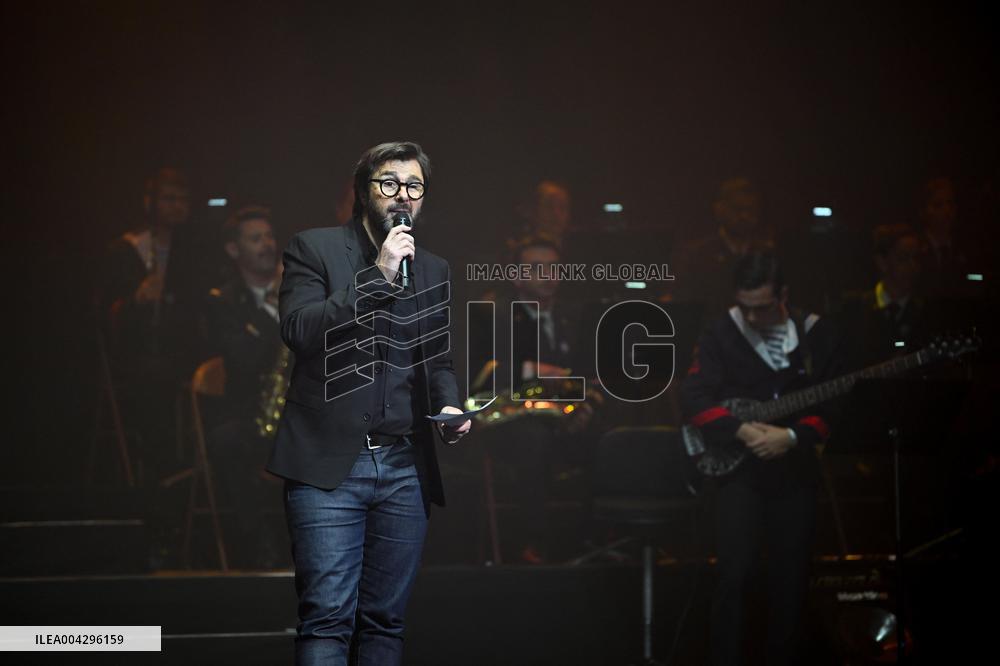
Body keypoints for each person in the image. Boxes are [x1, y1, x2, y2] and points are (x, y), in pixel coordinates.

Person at [267, 141, 470, 664]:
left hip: (405, 466)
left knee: (385, 623)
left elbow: (438, 362)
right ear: (363, 192)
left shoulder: (433, 269)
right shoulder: (313, 248)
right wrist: (376, 276)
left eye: (414, 186)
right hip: (329, 464)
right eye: (389, 183)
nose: (402, 195)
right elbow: (299, 330)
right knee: (327, 619)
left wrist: (448, 408)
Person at [681, 250, 844, 666]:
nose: (752, 318)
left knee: (791, 580)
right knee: (733, 576)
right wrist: (741, 429)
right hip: (739, 473)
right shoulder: (720, 333)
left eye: (762, 307)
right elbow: (694, 398)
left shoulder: (815, 334)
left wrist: (792, 436)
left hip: (795, 471)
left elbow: (835, 405)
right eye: (745, 307)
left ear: (783, 294)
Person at [203, 205, 288, 568]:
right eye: (255, 239)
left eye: (269, 236)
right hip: (249, 413)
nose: (267, 245)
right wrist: (272, 309)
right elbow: (242, 359)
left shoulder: (302, 290)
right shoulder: (221, 301)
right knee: (228, 441)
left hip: (300, 409)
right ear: (234, 250)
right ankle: (259, 553)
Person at [671, 177, 773, 316]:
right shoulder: (696, 256)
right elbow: (684, 303)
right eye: (737, 208)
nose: (744, 216)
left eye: (750, 209)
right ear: (719, 209)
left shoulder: (768, 255)